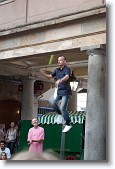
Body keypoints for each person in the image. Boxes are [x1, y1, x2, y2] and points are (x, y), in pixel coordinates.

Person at [40, 56, 72, 132]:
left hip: (66, 92)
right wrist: (43, 73)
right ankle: (60, 115)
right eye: (58, 60)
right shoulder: (57, 70)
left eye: (61, 60)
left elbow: (67, 76)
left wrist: (60, 80)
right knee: (52, 102)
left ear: (65, 61)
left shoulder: (67, 69)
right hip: (59, 91)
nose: (59, 61)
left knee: (63, 107)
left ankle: (68, 124)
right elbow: (49, 77)